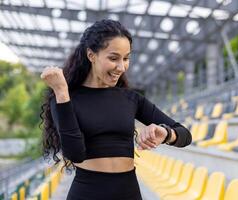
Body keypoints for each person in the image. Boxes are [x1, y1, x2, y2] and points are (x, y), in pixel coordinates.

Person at [40, 19, 192, 200]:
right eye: (113, 58)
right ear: (91, 55)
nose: (121, 67)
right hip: (87, 194)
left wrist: (166, 133)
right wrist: (62, 94)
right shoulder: (65, 98)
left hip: (128, 192)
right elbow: (75, 154)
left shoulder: (130, 99)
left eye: (126, 58)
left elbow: (185, 135)